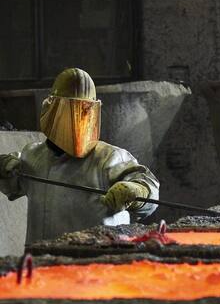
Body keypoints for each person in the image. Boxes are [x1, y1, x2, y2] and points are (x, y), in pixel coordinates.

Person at [0, 68, 159, 244]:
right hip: (43, 262)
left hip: (99, 262)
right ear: (51, 109)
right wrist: (5, 167)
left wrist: (136, 191)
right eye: (70, 112)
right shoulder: (33, 156)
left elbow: (149, 189)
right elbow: (11, 184)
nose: (76, 124)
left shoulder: (110, 158)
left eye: (83, 112)